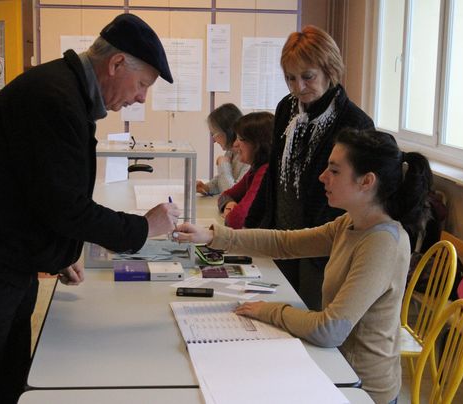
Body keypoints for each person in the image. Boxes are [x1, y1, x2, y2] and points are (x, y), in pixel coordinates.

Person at [0, 14, 180, 403]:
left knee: (7, 381)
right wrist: (144, 227)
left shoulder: (64, 90)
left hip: (4, 259)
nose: (141, 97)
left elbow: (38, 191)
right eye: (143, 84)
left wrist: (57, 252)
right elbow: (66, 207)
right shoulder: (54, 99)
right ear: (115, 65)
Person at [175, 129, 432, 404]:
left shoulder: (383, 243)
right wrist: (214, 236)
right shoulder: (351, 223)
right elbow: (285, 243)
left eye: (334, 171)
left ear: (366, 181)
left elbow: (330, 329)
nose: (323, 177)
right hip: (335, 366)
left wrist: (269, 311)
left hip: (359, 388)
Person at [245, 25, 374, 310]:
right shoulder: (286, 109)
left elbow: (355, 199)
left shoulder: (354, 122)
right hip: (280, 237)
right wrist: (251, 228)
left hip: (321, 248)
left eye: (308, 77)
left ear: (330, 70)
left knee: (309, 322)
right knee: (274, 315)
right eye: (290, 78)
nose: (297, 87)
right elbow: (273, 176)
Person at [217, 111, 273, 229]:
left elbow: (236, 220)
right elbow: (226, 194)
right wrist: (229, 204)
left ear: (257, 144)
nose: (236, 144)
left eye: (240, 139)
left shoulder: (265, 171)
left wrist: (230, 215)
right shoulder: (255, 169)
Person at [196, 103, 248, 196]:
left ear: (227, 131)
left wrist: (223, 164)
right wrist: (207, 187)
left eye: (214, 134)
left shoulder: (248, 157)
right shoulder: (231, 152)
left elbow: (231, 194)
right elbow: (223, 179)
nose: (213, 140)